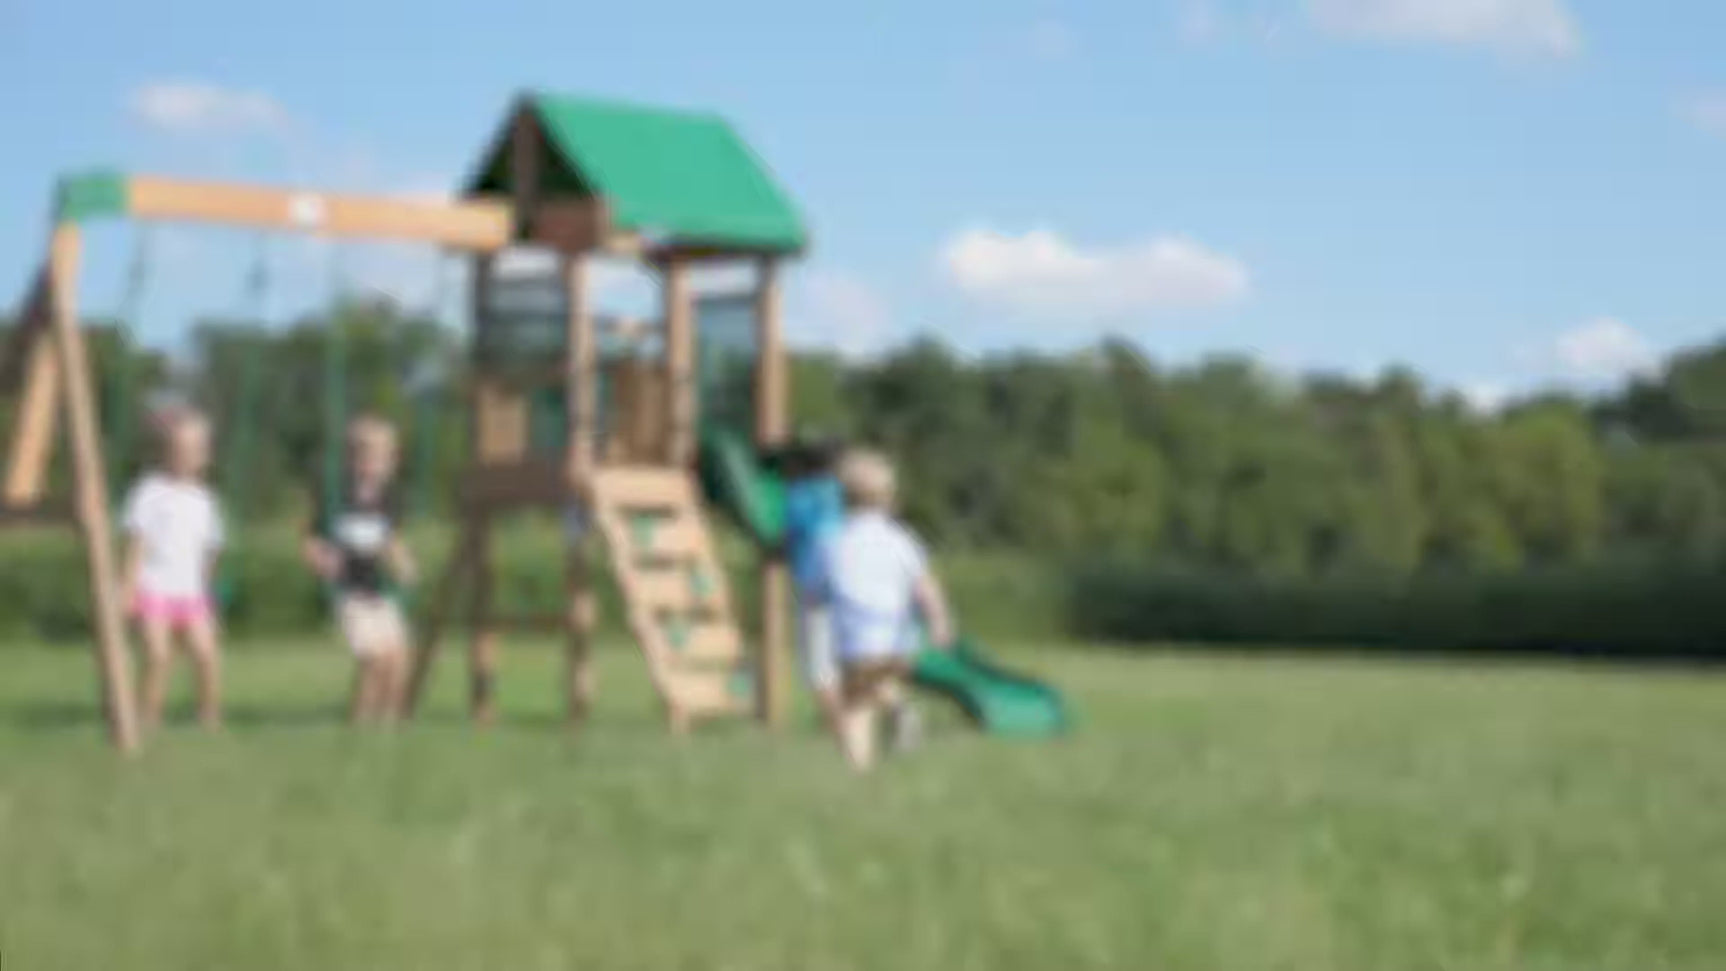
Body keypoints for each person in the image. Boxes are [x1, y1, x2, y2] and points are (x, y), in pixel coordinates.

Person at [814, 448, 955, 771]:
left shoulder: (833, 541)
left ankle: (859, 769)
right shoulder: (901, 539)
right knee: (879, 685)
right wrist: (939, 623)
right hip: (899, 639)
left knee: (855, 705)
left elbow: (816, 590)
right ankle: (900, 710)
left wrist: (816, 600)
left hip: (856, 640)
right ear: (889, 498)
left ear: (842, 498)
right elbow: (925, 587)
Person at [303, 415, 417, 726]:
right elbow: (311, 539)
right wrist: (319, 558)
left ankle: (388, 722)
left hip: (381, 590)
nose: (372, 464)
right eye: (365, 455)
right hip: (349, 592)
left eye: (381, 457)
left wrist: (404, 563)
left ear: (392, 461)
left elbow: (391, 541)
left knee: (399, 660)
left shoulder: (390, 500)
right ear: (351, 458)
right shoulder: (337, 497)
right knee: (374, 659)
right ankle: (360, 721)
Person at [121, 408, 226, 731]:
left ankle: (209, 716)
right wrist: (126, 588)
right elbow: (137, 544)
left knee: (206, 655)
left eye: (195, 450)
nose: (187, 457)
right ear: (166, 452)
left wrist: (207, 592)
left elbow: (210, 550)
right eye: (180, 449)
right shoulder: (149, 492)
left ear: (205, 455)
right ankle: (148, 716)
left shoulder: (205, 500)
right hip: (153, 589)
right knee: (158, 656)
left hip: (191, 593)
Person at [778, 434, 847, 736]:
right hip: (851, 585)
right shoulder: (843, 494)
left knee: (818, 669)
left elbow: (790, 535)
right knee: (848, 659)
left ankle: (841, 725)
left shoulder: (799, 495)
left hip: (814, 587)